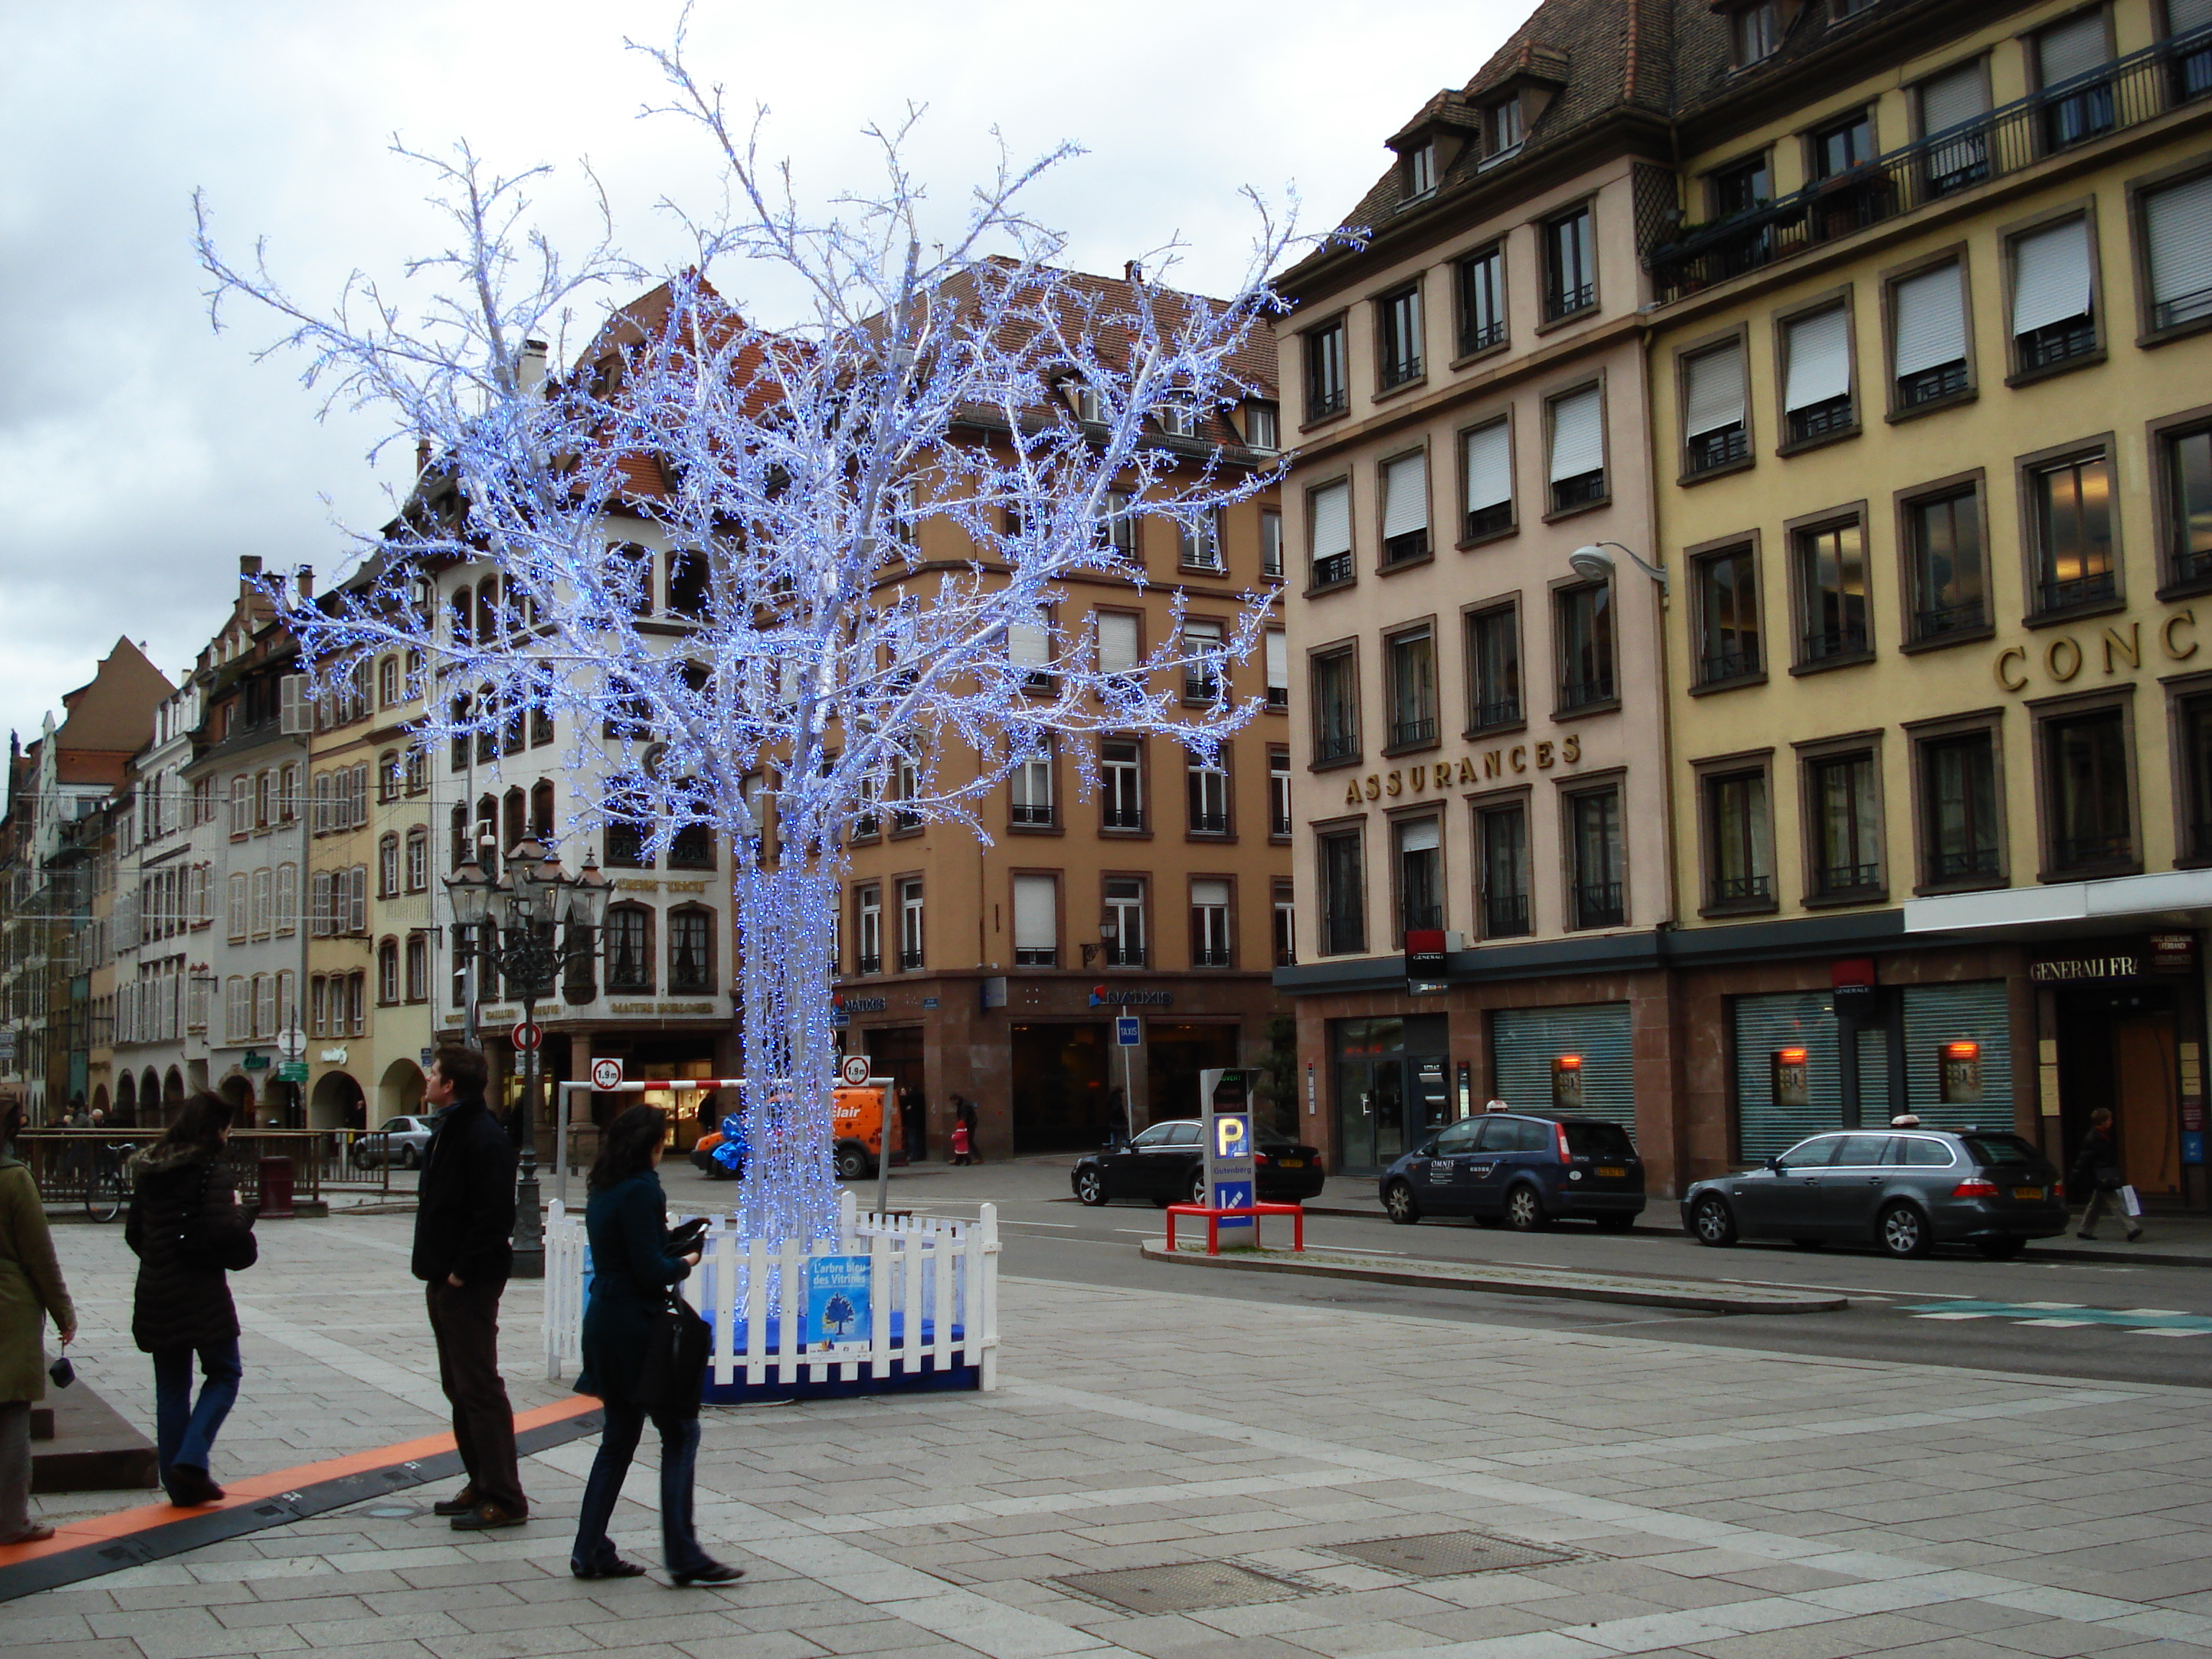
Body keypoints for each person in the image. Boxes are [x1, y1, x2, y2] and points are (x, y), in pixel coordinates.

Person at [570, 1105, 744, 1586]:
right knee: (680, 1431)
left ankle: (589, 1549)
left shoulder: (603, 1187)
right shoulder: (644, 1187)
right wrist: (686, 1257)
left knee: (618, 1439)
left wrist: (664, 1241)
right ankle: (682, 1551)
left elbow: (627, 1252)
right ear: (652, 1147)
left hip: (603, 1319)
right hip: (637, 1326)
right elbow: (650, 1271)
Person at [413, 1046, 529, 1530]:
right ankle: (479, 1480)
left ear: (450, 1086)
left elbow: (495, 1215)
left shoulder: (482, 1136)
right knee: (458, 1385)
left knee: (479, 1386)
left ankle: (504, 1495)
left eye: (434, 1072)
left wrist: (461, 1270)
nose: (428, 1077)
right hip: (444, 1276)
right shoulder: (451, 1129)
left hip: (468, 1280)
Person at [125, 1092, 254, 1508]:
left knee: (171, 1389)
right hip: (200, 1291)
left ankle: (180, 1486)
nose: (229, 1136)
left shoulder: (150, 1168)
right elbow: (220, 1231)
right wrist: (244, 1213)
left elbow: (134, 1234)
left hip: (156, 1289)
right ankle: (193, 1459)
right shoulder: (210, 1167)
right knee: (225, 1372)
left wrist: (162, 1259)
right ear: (214, 1129)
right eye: (227, 1128)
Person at [1, 1101, 76, 1544]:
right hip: (9, 1310)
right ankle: (11, 1519)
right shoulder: (15, 1179)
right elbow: (40, 1256)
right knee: (11, 1415)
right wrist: (63, 1312)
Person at [2071, 1107, 2141, 1243]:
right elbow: (2083, 1160)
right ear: (2102, 1122)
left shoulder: (2105, 1135)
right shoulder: (2093, 1139)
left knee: (2095, 1205)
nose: (2111, 1122)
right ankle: (2131, 1228)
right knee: (2116, 1204)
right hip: (2102, 1176)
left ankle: (2084, 1230)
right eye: (2109, 1120)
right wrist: (2074, 1178)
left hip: (2106, 1174)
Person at [899, 1085, 927, 1164]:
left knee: (912, 1138)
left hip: (912, 1121)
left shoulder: (909, 1097)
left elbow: (903, 1106)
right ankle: (920, 1155)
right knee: (920, 1138)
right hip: (921, 1121)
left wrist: (903, 1097)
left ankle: (913, 1155)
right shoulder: (921, 1096)